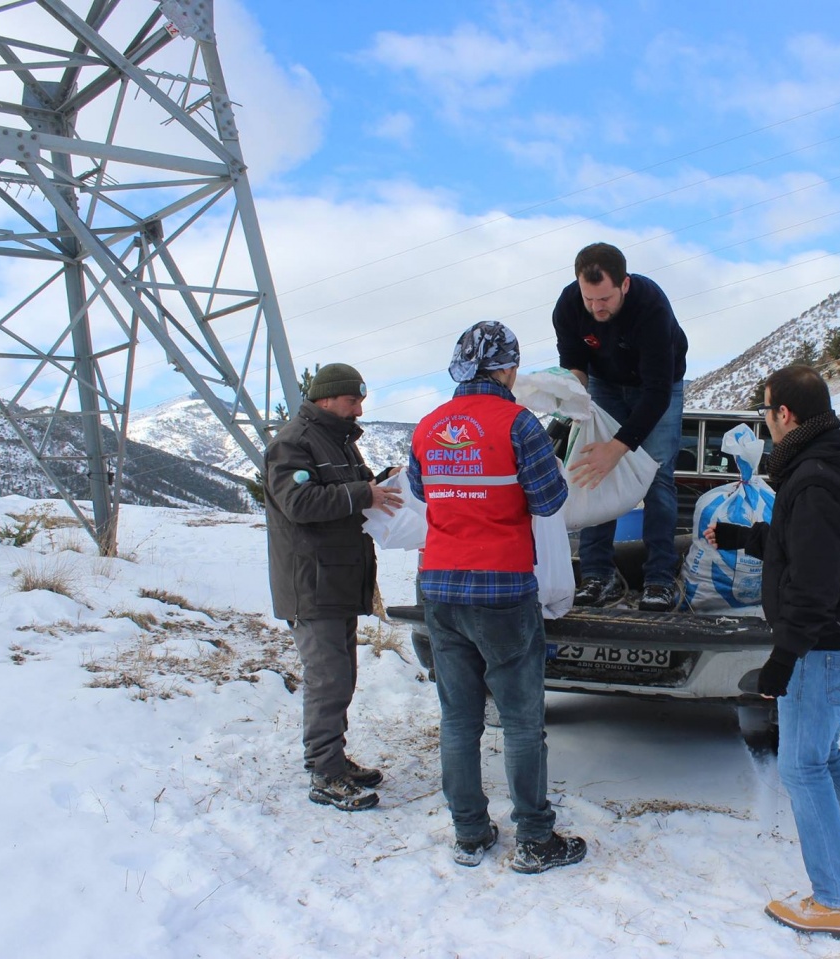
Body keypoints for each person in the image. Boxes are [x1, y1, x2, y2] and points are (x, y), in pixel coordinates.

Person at [707, 366, 840, 941]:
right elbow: (808, 545)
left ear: (786, 416)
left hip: (823, 644)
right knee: (821, 755)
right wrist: (743, 539)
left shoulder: (816, 476)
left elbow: (817, 581)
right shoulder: (829, 460)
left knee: (801, 766)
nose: (765, 420)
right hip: (839, 637)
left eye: (767, 409)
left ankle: (833, 900)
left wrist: (784, 655)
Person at [408, 320, 587, 874]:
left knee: (459, 719)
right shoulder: (519, 424)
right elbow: (550, 499)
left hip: (439, 587)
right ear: (506, 368)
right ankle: (535, 838)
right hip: (503, 589)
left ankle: (469, 833)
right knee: (520, 722)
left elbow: (419, 490)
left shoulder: (428, 426)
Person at [265, 363, 401, 812]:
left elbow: (346, 490)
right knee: (327, 681)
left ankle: (335, 760)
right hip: (312, 582)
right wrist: (364, 493)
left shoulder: (337, 441)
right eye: (352, 401)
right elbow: (300, 503)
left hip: (338, 578)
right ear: (327, 398)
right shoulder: (294, 443)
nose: (359, 410)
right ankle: (324, 772)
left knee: (342, 679)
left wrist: (378, 483)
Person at [552, 242, 688, 612]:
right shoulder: (568, 306)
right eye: (589, 298)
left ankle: (660, 579)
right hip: (605, 384)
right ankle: (598, 576)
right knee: (593, 471)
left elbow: (658, 394)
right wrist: (569, 401)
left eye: (605, 299)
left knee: (657, 476)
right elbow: (575, 366)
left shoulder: (651, 307)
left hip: (659, 384)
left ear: (624, 285)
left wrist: (617, 447)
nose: (597, 308)